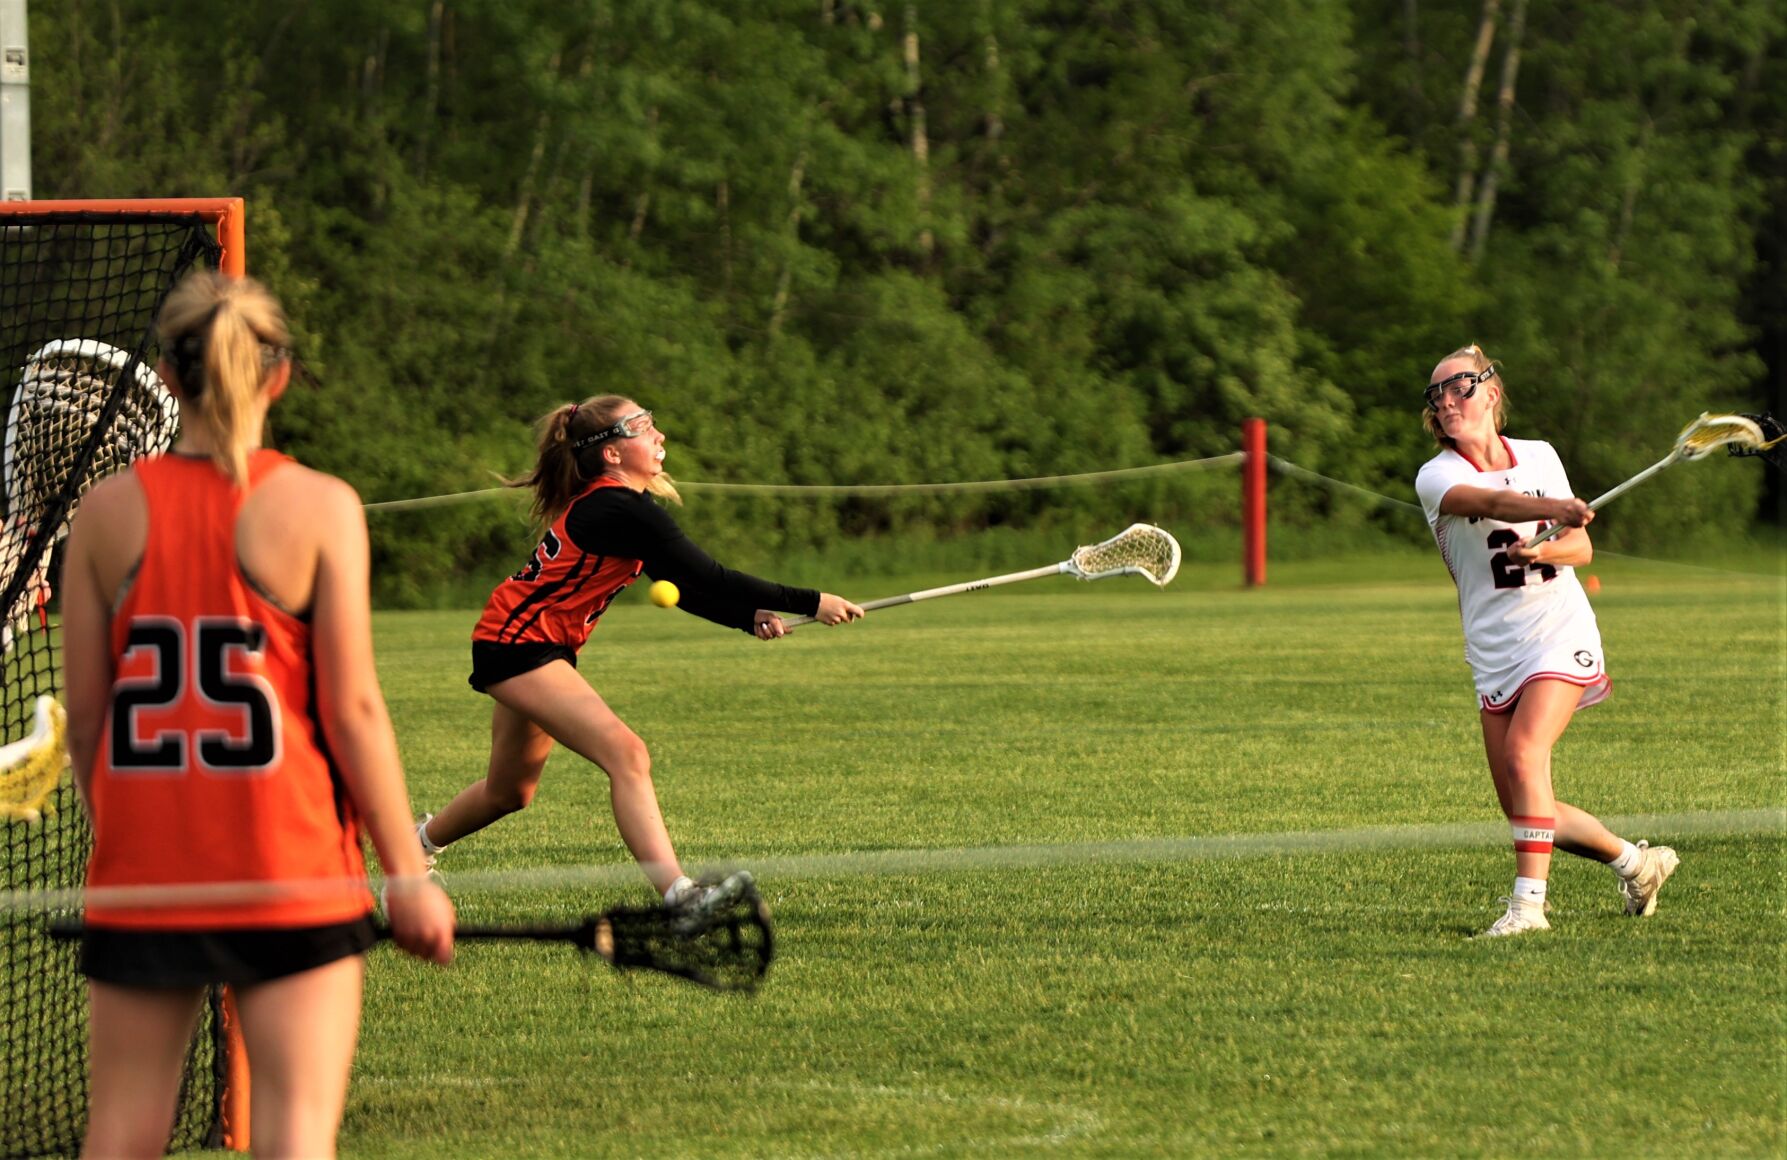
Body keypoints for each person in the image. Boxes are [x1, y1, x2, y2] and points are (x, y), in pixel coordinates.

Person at [60, 271, 456, 1159]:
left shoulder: (105, 512)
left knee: (120, 1134)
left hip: (147, 877)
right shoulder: (321, 507)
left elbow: (87, 720)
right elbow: (352, 710)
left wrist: (126, 843)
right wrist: (406, 874)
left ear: (166, 375)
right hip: (293, 867)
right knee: (294, 1140)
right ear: (279, 376)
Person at [416, 396, 864, 906]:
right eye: (644, 427)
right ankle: (680, 894)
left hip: (532, 644)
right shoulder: (616, 506)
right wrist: (813, 600)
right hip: (519, 646)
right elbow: (709, 575)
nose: (660, 437)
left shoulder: (622, 506)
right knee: (627, 754)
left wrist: (747, 616)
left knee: (508, 792)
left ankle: (416, 847)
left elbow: (684, 587)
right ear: (610, 453)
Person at [1412, 343, 1678, 938]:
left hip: (1558, 632)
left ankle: (1528, 909)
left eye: (1461, 386)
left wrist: (1545, 545)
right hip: (1493, 651)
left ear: (1491, 392)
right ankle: (1638, 865)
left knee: (1526, 756)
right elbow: (1488, 500)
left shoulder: (1540, 454)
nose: (1448, 400)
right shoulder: (1438, 475)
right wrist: (1551, 507)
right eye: (1438, 393)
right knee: (1525, 809)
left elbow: (1580, 550)